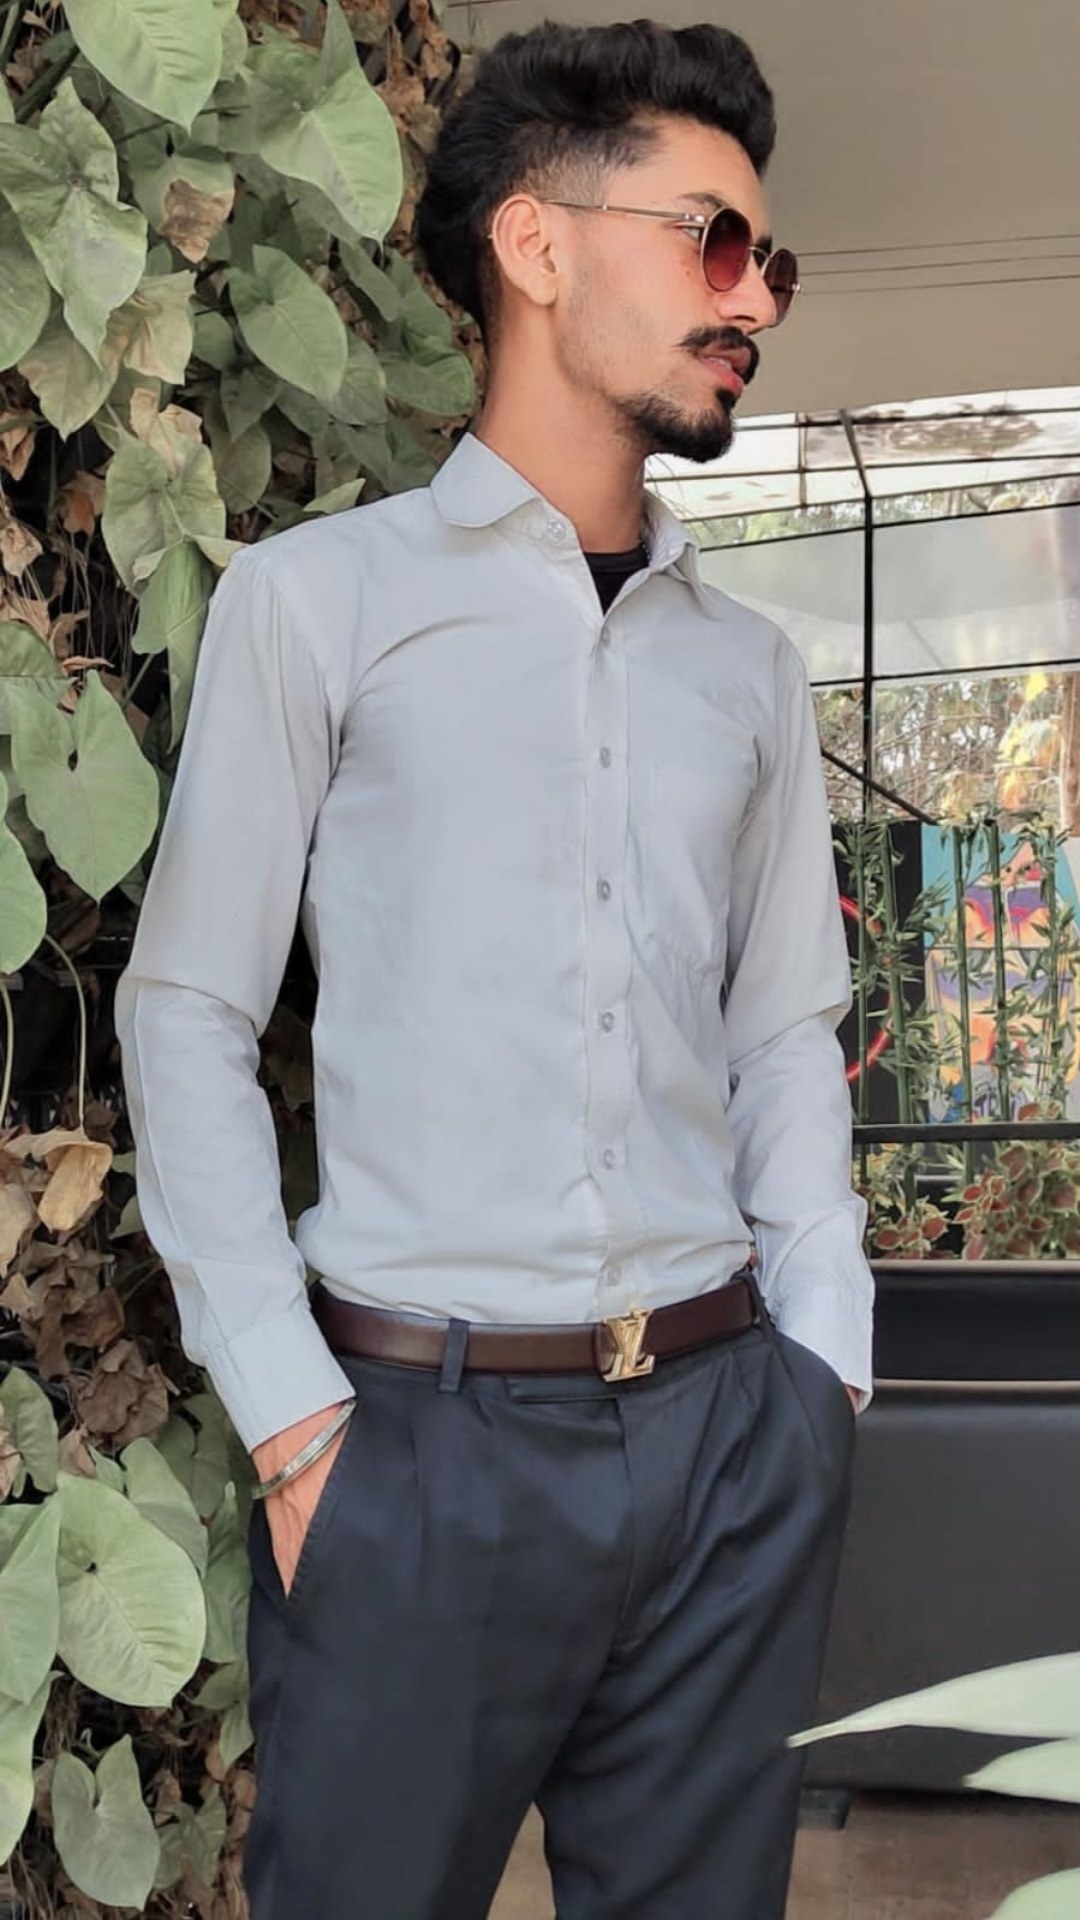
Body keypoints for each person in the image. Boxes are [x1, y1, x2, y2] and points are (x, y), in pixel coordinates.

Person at [116, 18, 873, 1919]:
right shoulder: (318, 606)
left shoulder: (749, 673)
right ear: (535, 245)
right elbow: (188, 1009)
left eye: (769, 261)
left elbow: (787, 1026)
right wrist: (295, 1422)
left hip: (727, 1437)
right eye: (713, 240)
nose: (752, 300)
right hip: (415, 1457)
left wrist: (826, 1374)